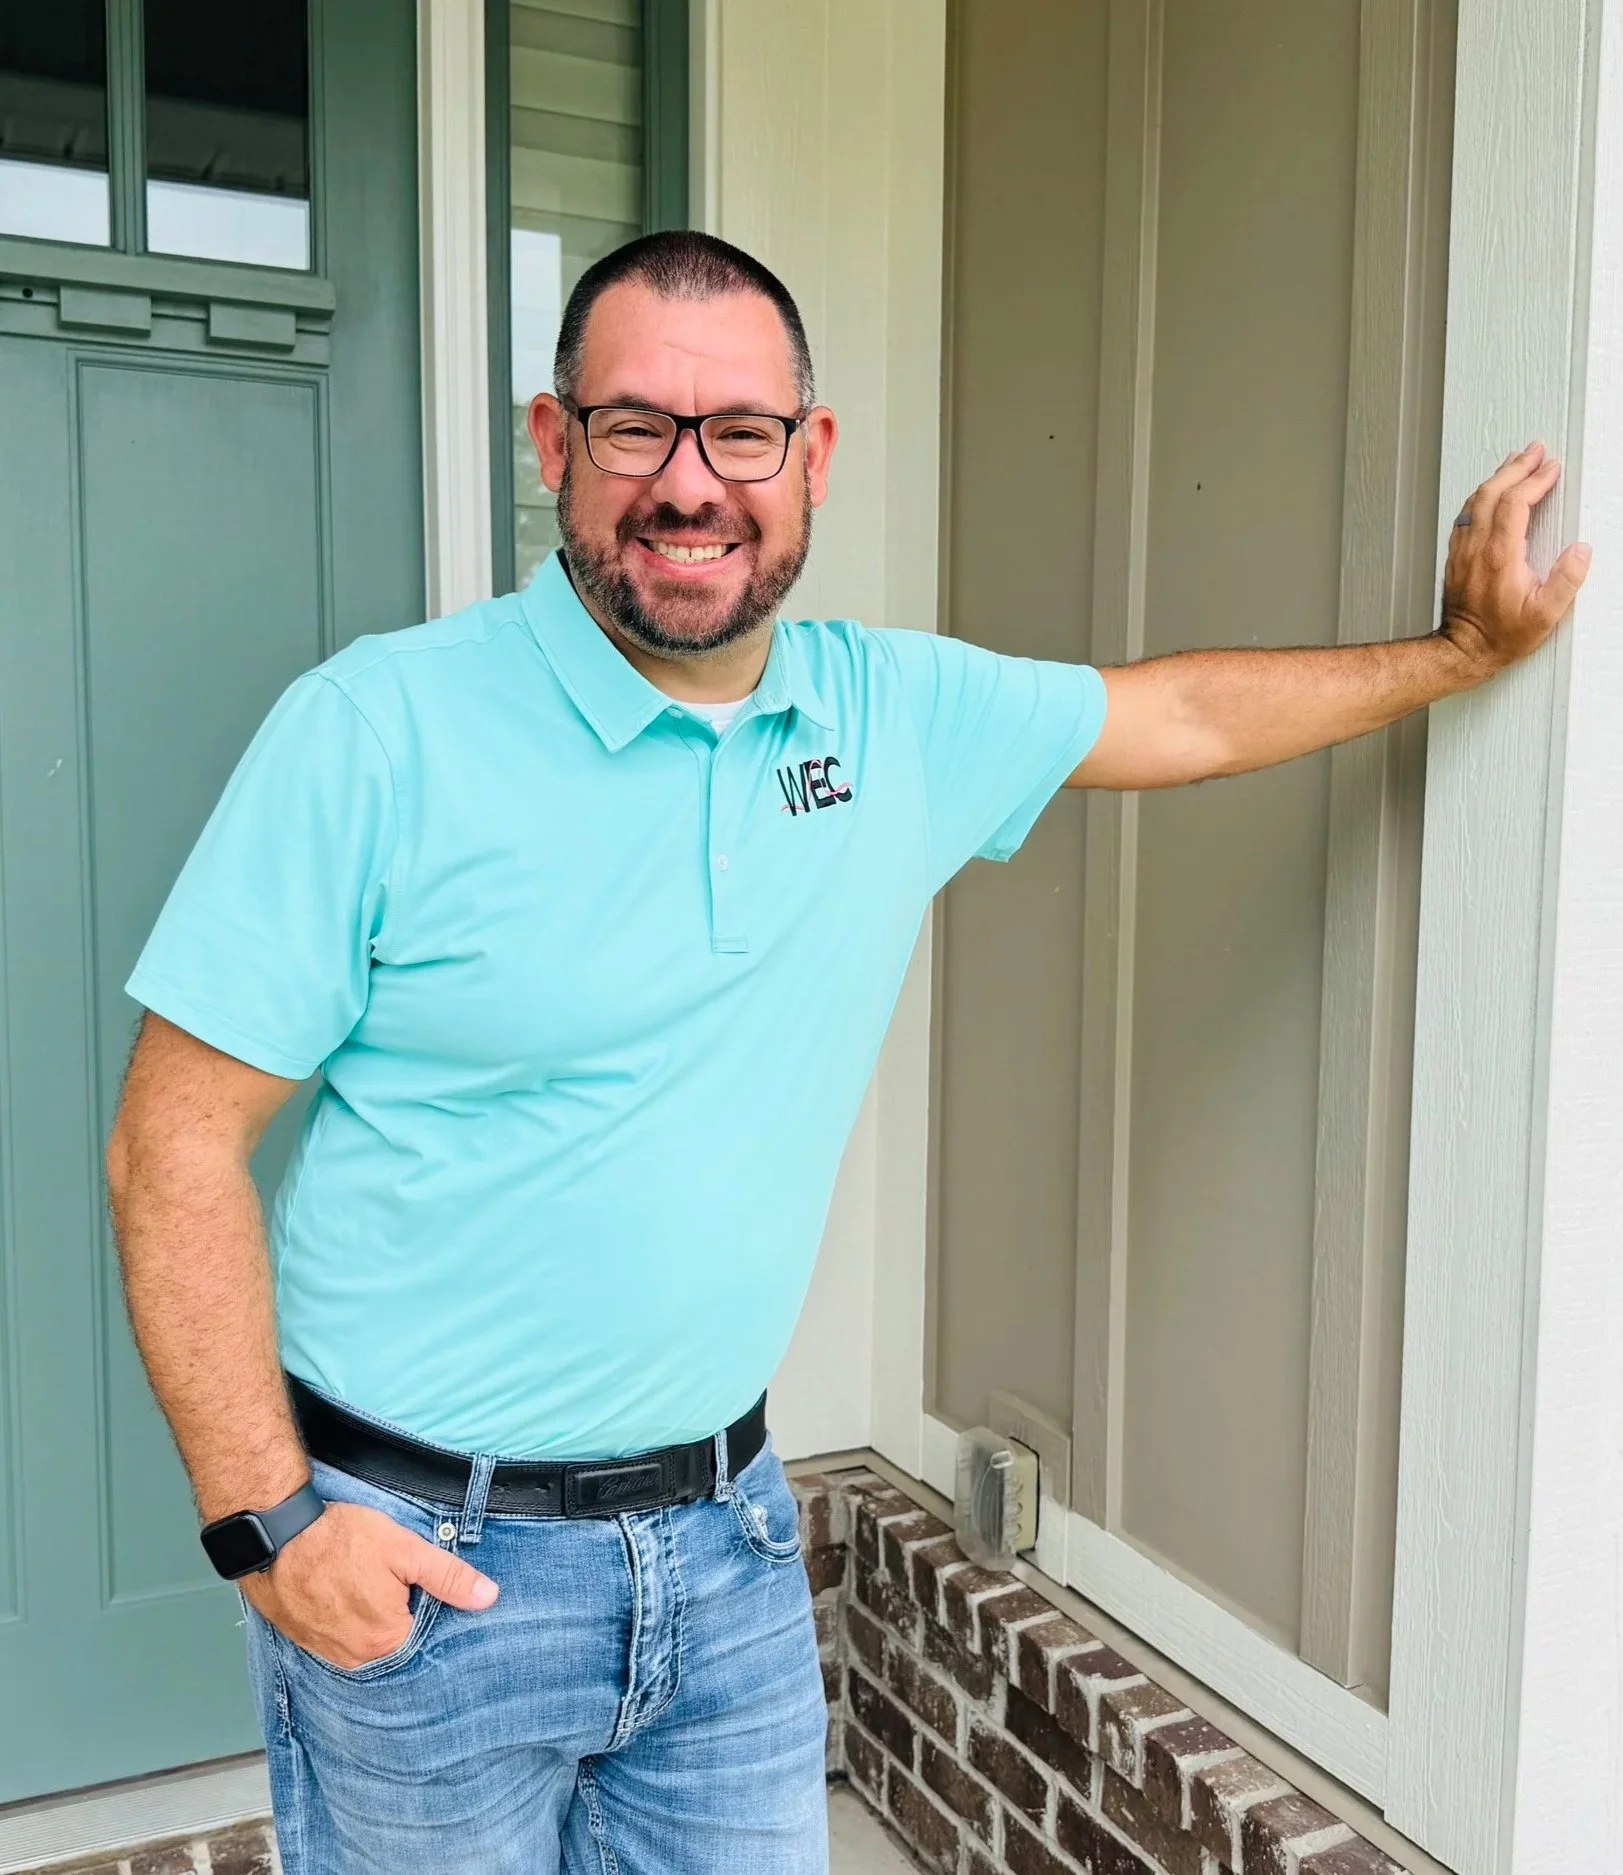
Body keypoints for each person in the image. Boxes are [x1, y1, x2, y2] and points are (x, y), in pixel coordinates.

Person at [105, 230, 1590, 1875]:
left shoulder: (887, 717)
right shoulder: (376, 733)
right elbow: (171, 1144)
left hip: (730, 1548)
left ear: (809, 459)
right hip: (425, 1571)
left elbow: (1172, 718)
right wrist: (270, 1529)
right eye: (632, 429)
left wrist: (1455, 657)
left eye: (739, 432)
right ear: (552, 446)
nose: (690, 483)